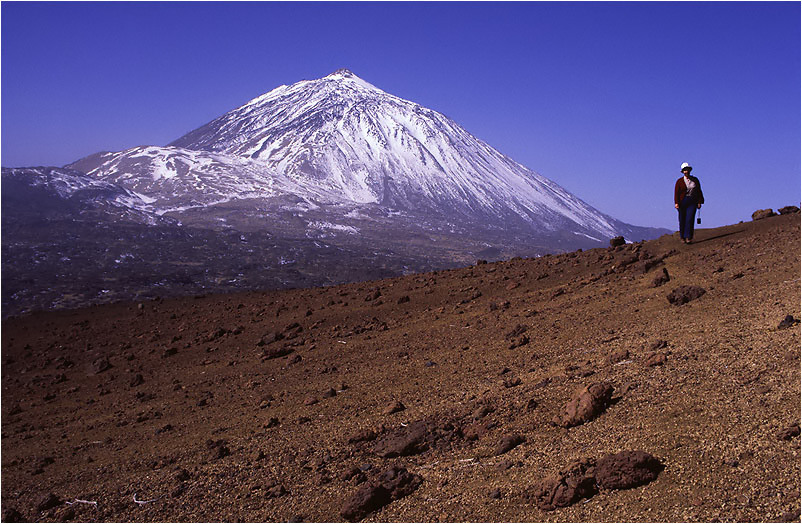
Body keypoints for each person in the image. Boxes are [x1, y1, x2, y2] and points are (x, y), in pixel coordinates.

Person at [674, 162, 704, 244]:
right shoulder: (679, 181)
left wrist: (699, 202)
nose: (686, 172)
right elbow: (676, 193)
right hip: (682, 201)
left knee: (690, 219)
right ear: (683, 171)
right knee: (682, 219)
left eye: (687, 170)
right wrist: (676, 203)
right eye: (684, 170)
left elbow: (699, 191)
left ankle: (688, 237)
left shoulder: (695, 180)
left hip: (692, 201)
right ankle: (682, 237)